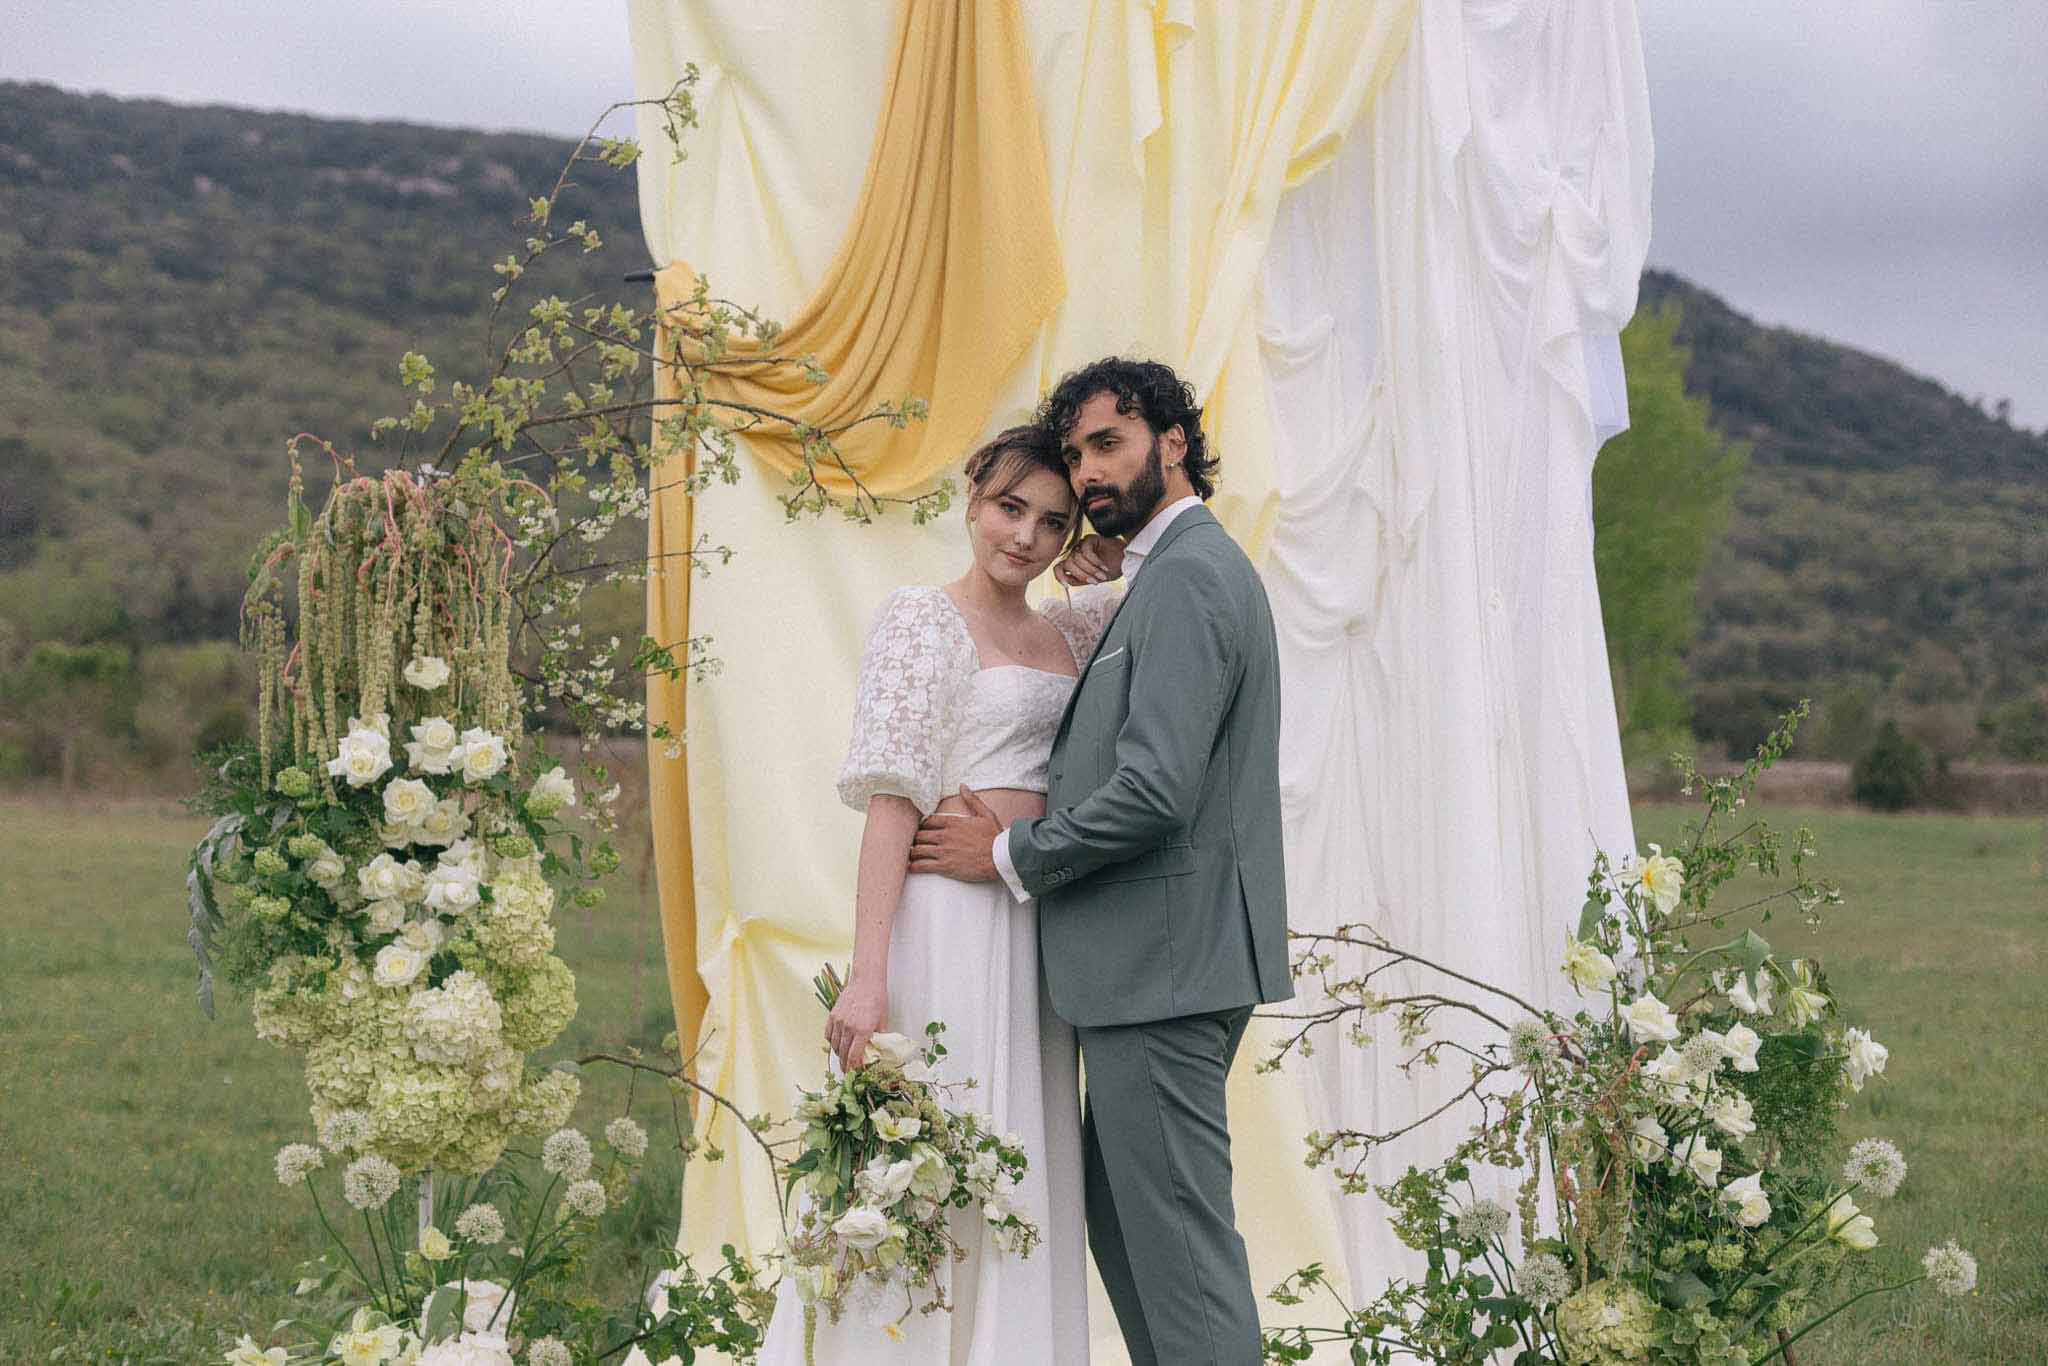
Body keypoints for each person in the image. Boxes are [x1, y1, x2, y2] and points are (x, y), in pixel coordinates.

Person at [911, 358, 1293, 1366]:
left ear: (1172, 441)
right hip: (1148, 969)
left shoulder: (1192, 578)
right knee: (1130, 1234)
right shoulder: (1160, 578)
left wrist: (1005, 853)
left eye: (1106, 444)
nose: (1084, 474)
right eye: (1074, 453)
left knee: (1179, 1253)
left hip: (1161, 970)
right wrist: (1107, 576)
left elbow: (1154, 787)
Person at [754, 424, 1118, 1365]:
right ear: (970, 496)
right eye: (1009, 508)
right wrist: (867, 974)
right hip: (946, 926)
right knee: (930, 1153)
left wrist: (1108, 552)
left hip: (1031, 922)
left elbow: (1140, 594)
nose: (1025, 538)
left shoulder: (1073, 628)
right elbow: (892, 802)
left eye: (1052, 520)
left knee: (1016, 1151)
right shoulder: (925, 618)